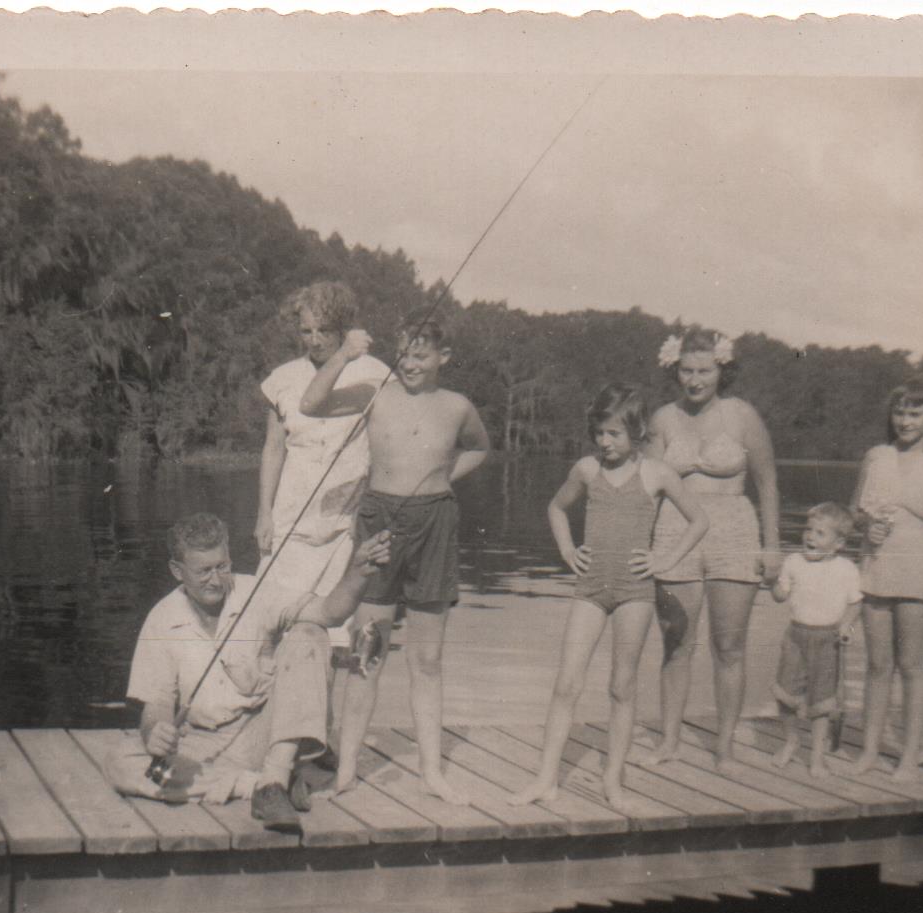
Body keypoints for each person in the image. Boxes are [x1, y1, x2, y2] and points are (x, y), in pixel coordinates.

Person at [300, 316, 491, 804]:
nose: (409, 363)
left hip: (435, 523)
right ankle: (345, 772)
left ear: (443, 358)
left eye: (421, 355)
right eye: (404, 352)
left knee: (427, 658)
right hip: (379, 521)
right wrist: (342, 354)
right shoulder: (375, 393)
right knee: (369, 652)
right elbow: (311, 403)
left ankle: (432, 773)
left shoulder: (457, 407)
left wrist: (445, 478)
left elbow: (480, 447)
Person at [110, 512, 391, 835]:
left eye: (222, 566)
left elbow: (328, 612)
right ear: (177, 571)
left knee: (310, 634)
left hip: (266, 735)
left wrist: (357, 573)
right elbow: (157, 703)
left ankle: (274, 776)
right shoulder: (161, 619)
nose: (216, 580)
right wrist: (155, 732)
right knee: (121, 763)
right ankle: (263, 786)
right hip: (202, 742)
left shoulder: (255, 592)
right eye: (203, 571)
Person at [507, 385, 708, 809]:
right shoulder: (586, 470)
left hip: (635, 591)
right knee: (567, 683)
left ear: (636, 432)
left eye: (614, 434)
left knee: (622, 685)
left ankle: (612, 783)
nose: (605, 442)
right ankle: (546, 779)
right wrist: (566, 550)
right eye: (599, 433)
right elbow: (556, 508)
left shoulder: (656, 474)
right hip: (590, 588)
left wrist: (664, 560)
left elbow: (699, 519)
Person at [645, 329, 783, 772]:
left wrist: (772, 546)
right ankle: (669, 741)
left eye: (705, 370)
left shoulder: (743, 416)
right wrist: (637, 547)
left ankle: (724, 747)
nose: (696, 379)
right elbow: (646, 488)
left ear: (722, 370)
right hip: (674, 530)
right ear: (674, 370)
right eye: (687, 370)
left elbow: (767, 483)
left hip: (735, 532)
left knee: (729, 646)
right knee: (677, 644)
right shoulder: (663, 418)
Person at [254, 282, 392, 644]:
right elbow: (273, 448)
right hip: (289, 523)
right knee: (270, 624)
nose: (314, 340)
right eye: (306, 331)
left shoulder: (375, 374)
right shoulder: (282, 379)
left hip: (343, 526)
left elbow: (382, 453)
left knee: (335, 636)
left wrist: (365, 510)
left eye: (324, 330)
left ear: (344, 329)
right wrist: (264, 513)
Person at [851, 373, 923, 780]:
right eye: (900, 412)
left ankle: (910, 757)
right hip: (876, 562)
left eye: (915, 412)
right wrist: (865, 526)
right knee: (878, 665)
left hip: (919, 566)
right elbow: (854, 512)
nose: (906, 420)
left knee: (913, 665)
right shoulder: (876, 455)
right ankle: (868, 751)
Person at [769, 503, 863, 778]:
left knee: (822, 701)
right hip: (796, 636)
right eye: (808, 530)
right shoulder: (793, 562)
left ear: (838, 543)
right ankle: (791, 740)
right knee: (785, 694)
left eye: (820, 533)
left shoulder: (846, 569)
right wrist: (772, 582)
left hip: (828, 639)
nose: (810, 537)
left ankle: (818, 757)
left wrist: (847, 625)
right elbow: (780, 595)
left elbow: (856, 603)